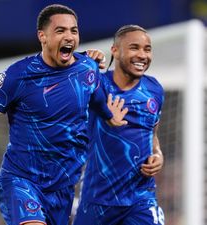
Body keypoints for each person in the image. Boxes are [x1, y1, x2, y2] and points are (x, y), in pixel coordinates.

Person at [0, 4, 128, 225]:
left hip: (62, 189)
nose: (69, 36)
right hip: (21, 181)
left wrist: (110, 115)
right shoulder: (17, 76)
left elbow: (96, 97)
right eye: (60, 31)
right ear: (42, 36)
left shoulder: (88, 68)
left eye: (74, 30)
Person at [73, 25, 165, 225]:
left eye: (147, 49)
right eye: (134, 47)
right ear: (114, 50)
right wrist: (86, 59)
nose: (142, 55)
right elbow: (63, 72)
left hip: (141, 197)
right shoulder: (97, 85)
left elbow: (153, 132)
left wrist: (157, 154)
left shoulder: (154, 89)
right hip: (98, 199)